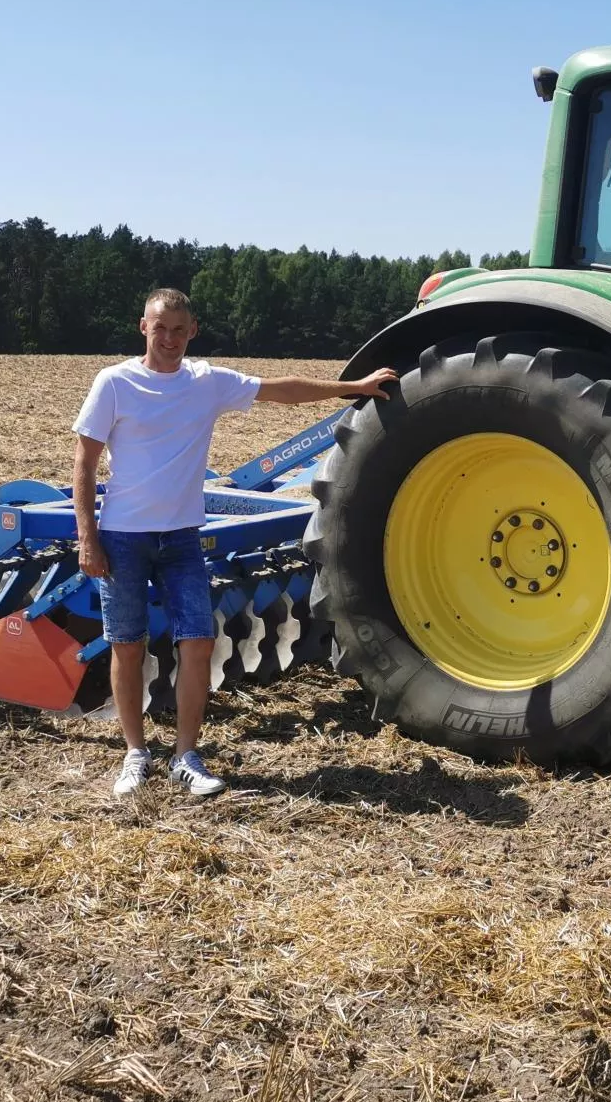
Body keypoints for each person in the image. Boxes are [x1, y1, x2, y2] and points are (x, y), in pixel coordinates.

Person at [72, 288, 397, 797]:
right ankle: (136, 754)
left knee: (198, 642)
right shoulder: (114, 383)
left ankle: (186, 754)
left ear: (193, 331)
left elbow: (280, 390)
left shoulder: (207, 382)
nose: (170, 339)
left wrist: (352, 387)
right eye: (161, 328)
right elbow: (85, 464)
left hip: (181, 537)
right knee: (127, 645)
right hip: (123, 537)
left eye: (180, 330)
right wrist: (87, 539)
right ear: (143, 327)